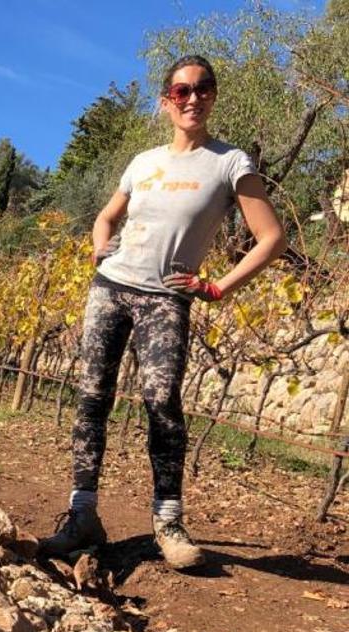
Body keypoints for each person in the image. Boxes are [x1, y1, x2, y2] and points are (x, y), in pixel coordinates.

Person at [40, 54, 286, 569]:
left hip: (166, 298)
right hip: (111, 289)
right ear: (165, 102)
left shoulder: (230, 162)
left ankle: (168, 523)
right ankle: (82, 516)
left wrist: (217, 288)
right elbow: (106, 218)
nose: (193, 98)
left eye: (203, 88)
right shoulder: (143, 161)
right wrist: (100, 248)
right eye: (181, 91)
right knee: (92, 400)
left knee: (161, 402)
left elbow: (271, 238)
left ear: (213, 95)